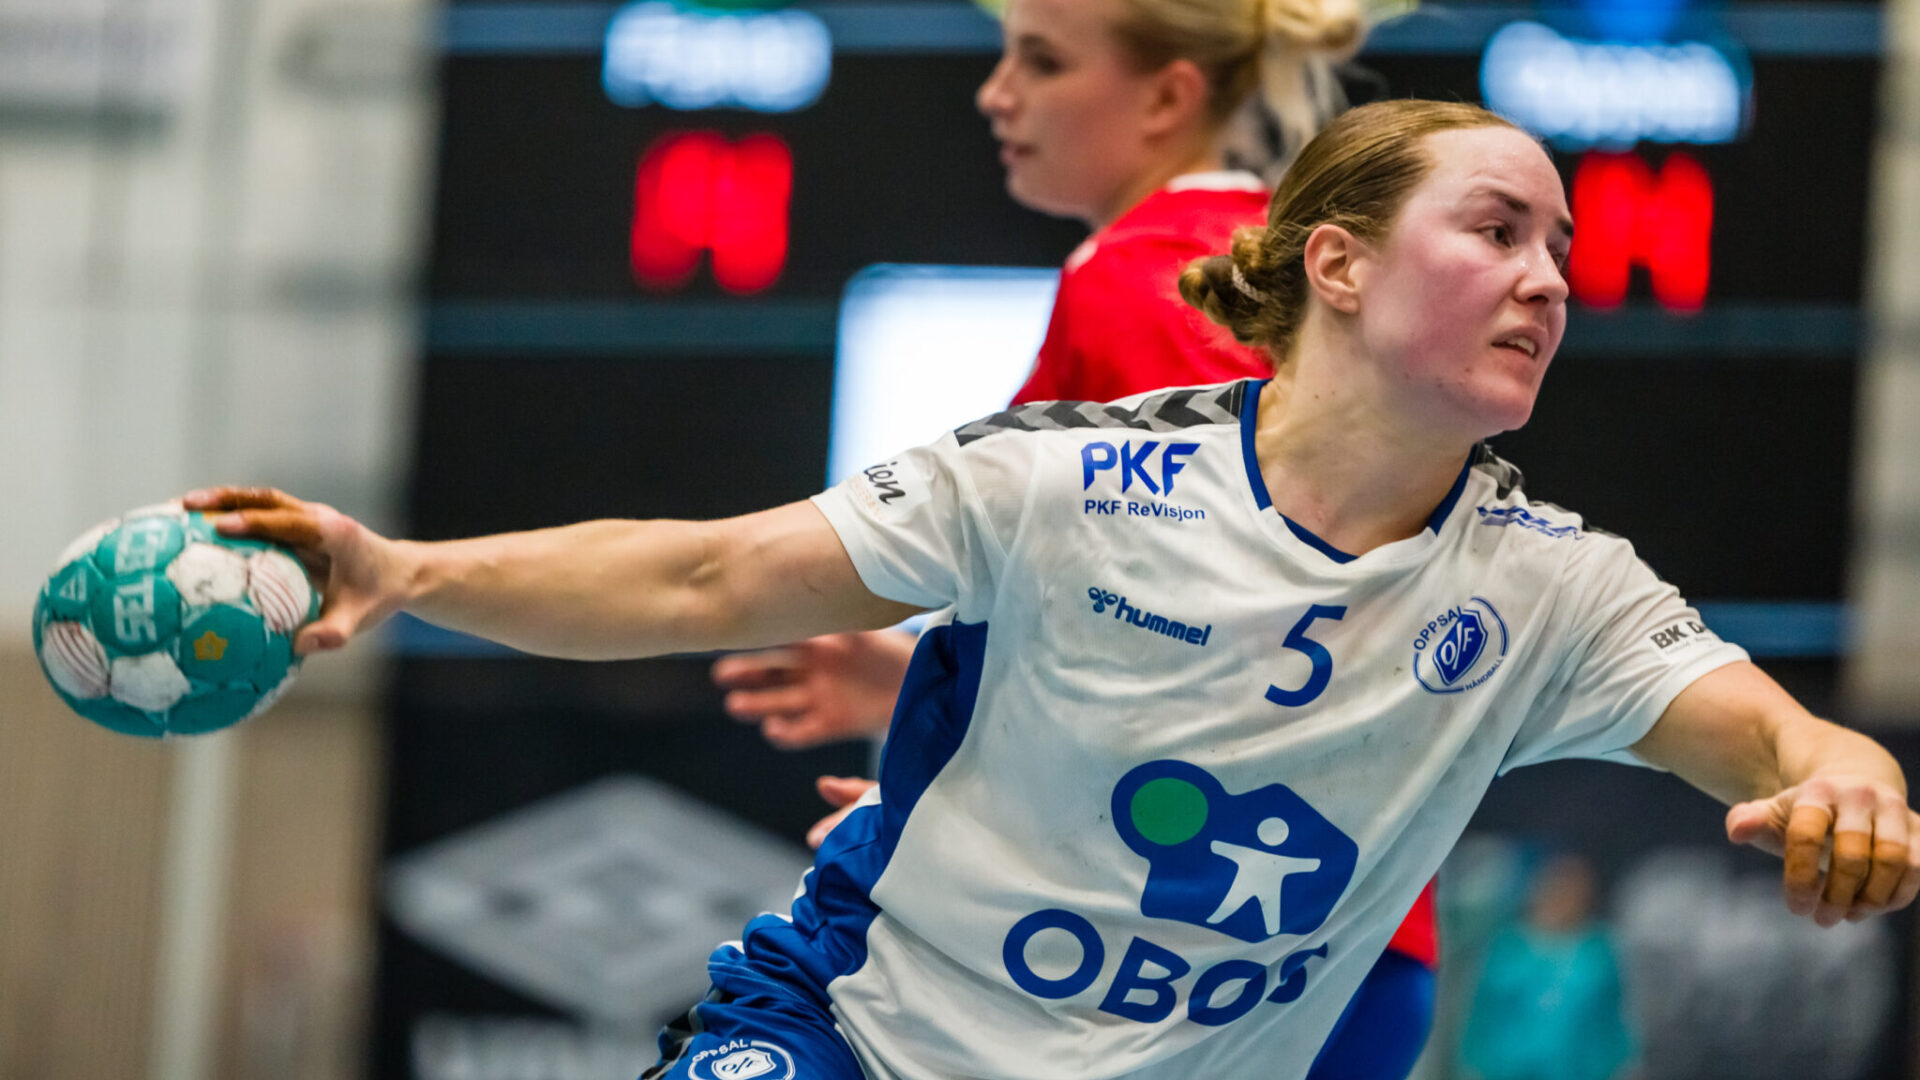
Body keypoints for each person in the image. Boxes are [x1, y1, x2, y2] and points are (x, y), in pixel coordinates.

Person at [185, 100, 1920, 1080]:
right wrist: (403, 569)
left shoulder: (1551, 591)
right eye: (1497, 230)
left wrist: (1851, 785)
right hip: (855, 1038)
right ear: (1335, 263)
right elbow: (705, 572)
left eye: (1562, 248)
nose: (1548, 279)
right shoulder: (1069, 480)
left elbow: (1784, 738)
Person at [713, 1, 1441, 1073]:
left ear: (1166, 96)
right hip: (1299, 942)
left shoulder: (1150, 284)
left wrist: (968, 821)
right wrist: (919, 686)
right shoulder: (1243, 267)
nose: (995, 93)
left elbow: (1243, 624)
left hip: (1201, 949)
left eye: (1042, 61)